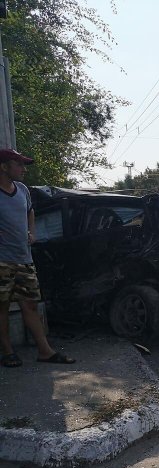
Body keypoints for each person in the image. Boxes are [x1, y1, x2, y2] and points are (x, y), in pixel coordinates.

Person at [0, 148, 74, 366]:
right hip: (1, 261)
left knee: (30, 304)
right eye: (19, 164)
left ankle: (45, 351)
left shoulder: (22, 190)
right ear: (4, 167)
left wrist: (32, 232)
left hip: (24, 258)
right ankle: (7, 352)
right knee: (1, 307)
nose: (24, 169)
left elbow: (30, 211)